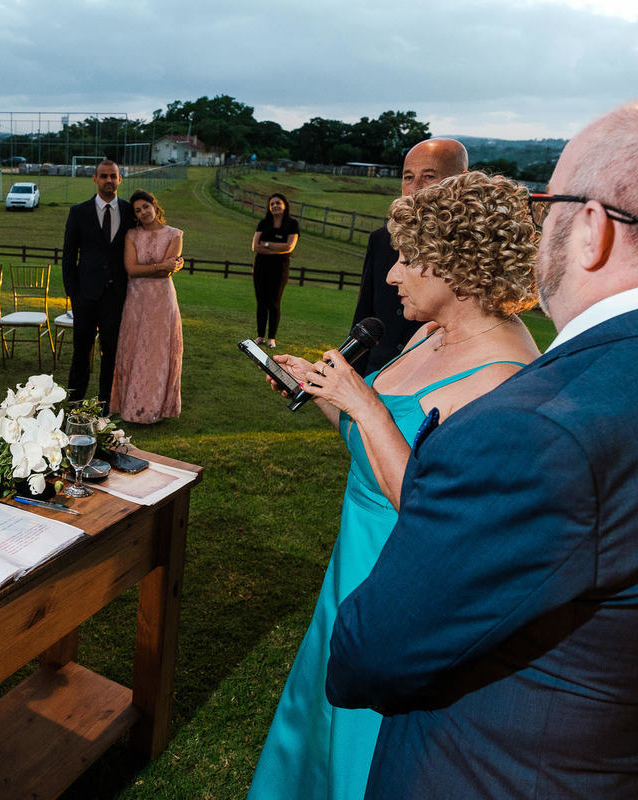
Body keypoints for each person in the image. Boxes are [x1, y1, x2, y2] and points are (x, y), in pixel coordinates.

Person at [326, 104, 638, 800]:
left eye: (548, 206)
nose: (536, 229)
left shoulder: (541, 422)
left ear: (590, 228)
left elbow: (373, 654)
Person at [247, 171, 541, 800]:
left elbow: (443, 514)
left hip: (399, 580)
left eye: (409, 258)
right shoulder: (430, 330)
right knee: (318, 728)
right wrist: (329, 396)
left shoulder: (506, 376)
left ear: (455, 265)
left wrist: (367, 404)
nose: (391, 274)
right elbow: (374, 442)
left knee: (367, 748)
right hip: (350, 566)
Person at [352, 138, 468, 375]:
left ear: (461, 180)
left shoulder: (473, 248)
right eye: (408, 177)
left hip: (434, 374)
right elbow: (364, 313)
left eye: (428, 176)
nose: (415, 188)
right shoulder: (381, 239)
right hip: (378, 370)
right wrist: (351, 374)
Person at [63, 160, 135, 409]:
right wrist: (73, 293)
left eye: (113, 176)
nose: (109, 181)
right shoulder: (79, 212)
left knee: (111, 351)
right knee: (81, 351)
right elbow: (69, 255)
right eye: (104, 176)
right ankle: (75, 401)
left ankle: (107, 400)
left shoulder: (129, 212)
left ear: (120, 179)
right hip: (85, 295)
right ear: (94, 179)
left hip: (116, 295)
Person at [110, 190, 184, 424]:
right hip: (136, 299)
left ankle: (154, 408)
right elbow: (131, 269)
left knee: (158, 352)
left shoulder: (175, 234)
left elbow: (168, 271)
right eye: (137, 211)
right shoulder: (131, 235)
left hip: (162, 300)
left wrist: (159, 267)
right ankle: (131, 405)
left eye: (145, 207)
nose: (143, 213)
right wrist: (160, 265)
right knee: (135, 348)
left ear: (155, 206)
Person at [250, 194, 299, 348]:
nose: (275, 206)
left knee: (274, 302)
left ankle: (272, 338)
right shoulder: (263, 223)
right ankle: (260, 336)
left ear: (285, 205)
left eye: (278, 203)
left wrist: (266, 245)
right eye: (272, 204)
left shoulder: (292, 224)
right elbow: (254, 246)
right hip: (261, 267)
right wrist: (277, 247)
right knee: (261, 301)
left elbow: (289, 246)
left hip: (279, 268)